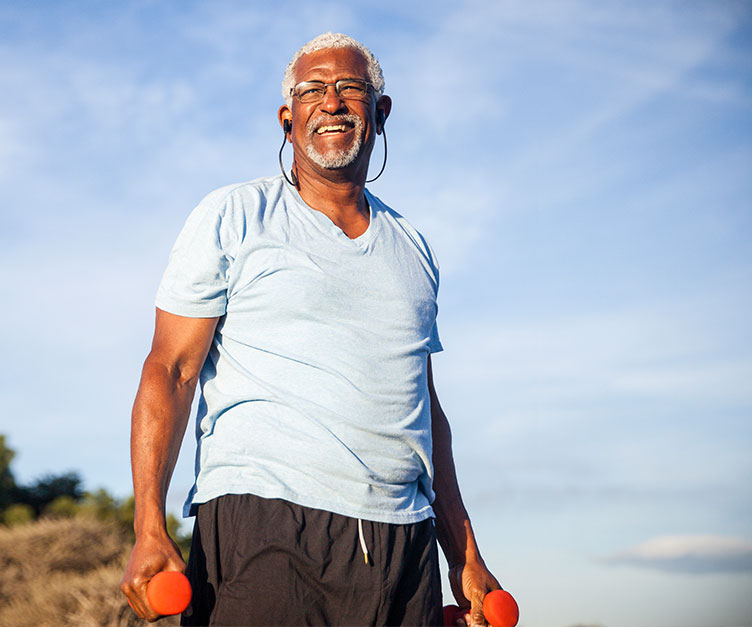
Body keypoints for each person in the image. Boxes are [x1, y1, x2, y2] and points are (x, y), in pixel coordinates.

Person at [121, 32, 502, 626]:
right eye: (312, 90)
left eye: (351, 88)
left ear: (381, 112)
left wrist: (464, 553)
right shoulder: (235, 214)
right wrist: (149, 524)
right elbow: (170, 370)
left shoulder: (413, 247)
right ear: (287, 118)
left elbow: (425, 406)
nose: (331, 102)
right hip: (265, 520)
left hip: (404, 541)